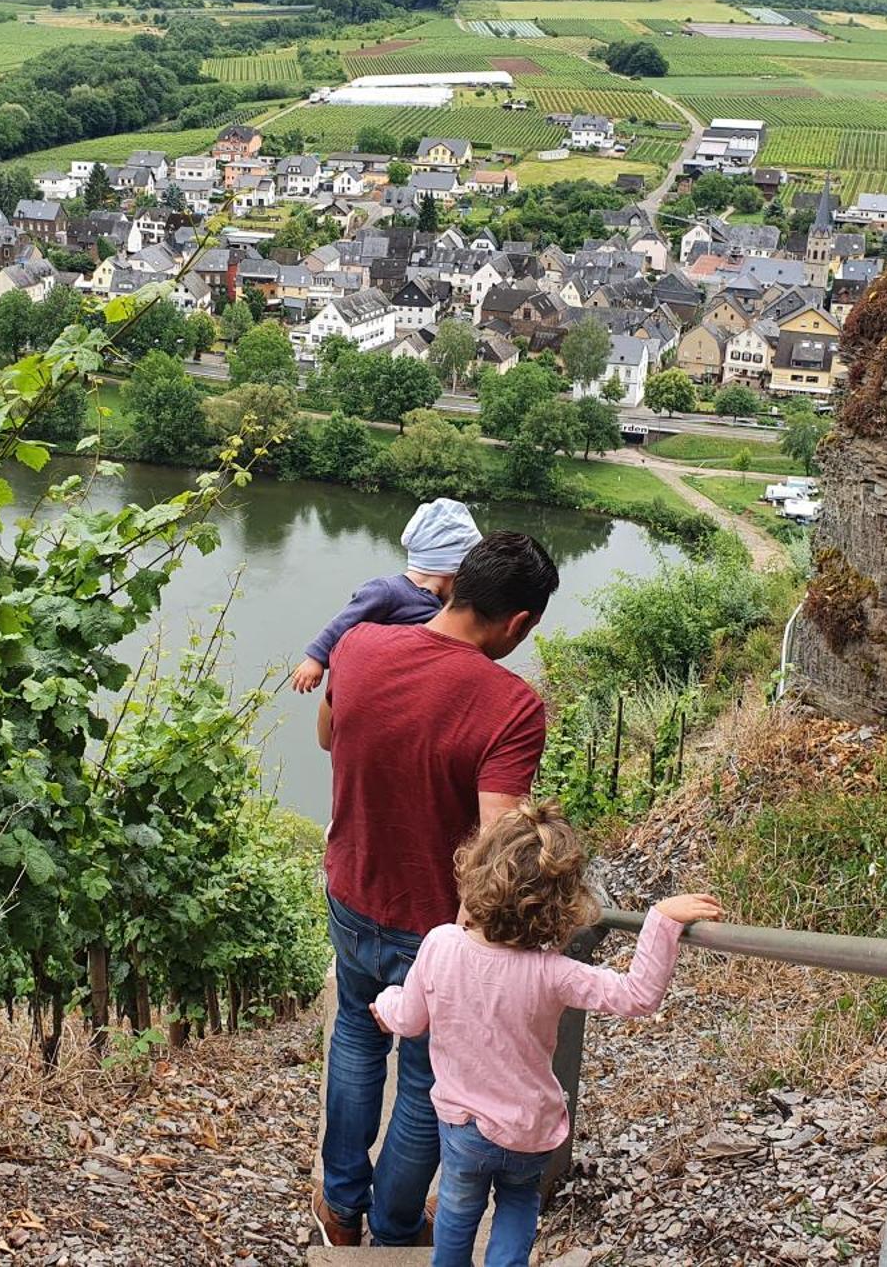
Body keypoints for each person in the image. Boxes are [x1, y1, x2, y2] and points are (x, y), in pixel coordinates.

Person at [312, 530, 561, 1249]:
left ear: (454, 586)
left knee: (356, 1036)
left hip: (352, 888)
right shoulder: (511, 705)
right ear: (519, 624)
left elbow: (330, 736)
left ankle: (339, 1210)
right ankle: (394, 1225)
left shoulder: (358, 645)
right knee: (425, 1078)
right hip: (435, 929)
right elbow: (499, 846)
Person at [371, 802, 725, 1267]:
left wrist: (386, 1003)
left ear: (476, 872)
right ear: (560, 904)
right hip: (529, 1130)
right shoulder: (553, 973)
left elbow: (411, 1018)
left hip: (464, 1128)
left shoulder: (440, 945)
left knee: (457, 1209)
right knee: (518, 1203)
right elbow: (637, 995)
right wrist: (660, 921)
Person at [289, 498, 483, 693]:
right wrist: (316, 660)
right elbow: (344, 621)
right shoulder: (388, 591)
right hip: (373, 679)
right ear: (454, 572)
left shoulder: (438, 605)